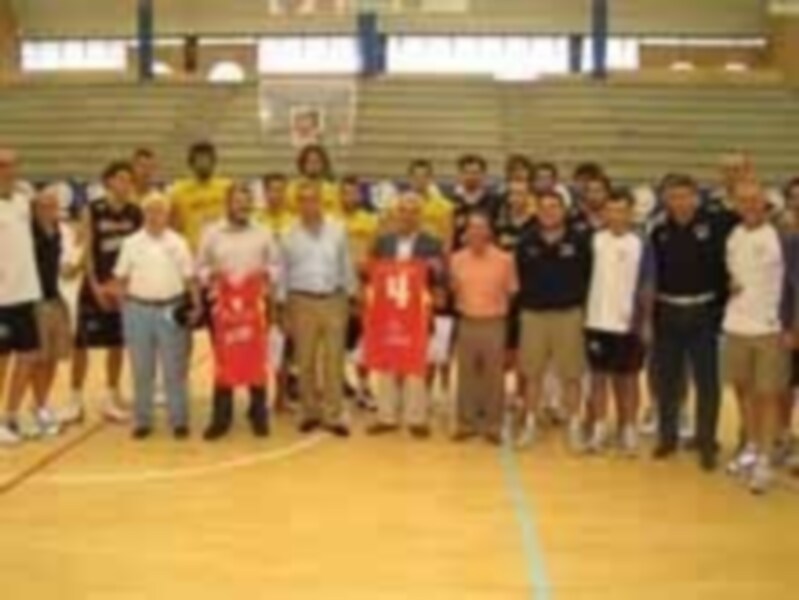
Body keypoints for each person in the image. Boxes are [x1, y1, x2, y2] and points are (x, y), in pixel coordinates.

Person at [649, 173, 736, 471]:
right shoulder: (658, 231)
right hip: (668, 312)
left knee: (707, 382)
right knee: (667, 381)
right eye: (673, 197)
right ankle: (667, 436)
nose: (680, 202)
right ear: (666, 200)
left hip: (704, 313)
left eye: (685, 196)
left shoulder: (716, 225)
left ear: (696, 197)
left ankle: (706, 441)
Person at [722, 183, 791, 494]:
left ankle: (765, 459)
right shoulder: (735, 235)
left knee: (768, 395)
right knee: (742, 390)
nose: (749, 205)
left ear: (765, 203)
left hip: (770, 329)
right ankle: (750, 447)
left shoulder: (782, 237)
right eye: (743, 201)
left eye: (754, 200)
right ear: (736, 204)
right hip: (736, 325)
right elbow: (732, 272)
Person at [198, 183, 280, 440]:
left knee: (256, 360)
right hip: (222, 311)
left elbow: (277, 265)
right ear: (228, 203)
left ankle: (258, 415)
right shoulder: (211, 233)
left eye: (247, 202)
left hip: (254, 309)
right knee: (224, 361)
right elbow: (199, 267)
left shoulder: (263, 232)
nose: (242, 206)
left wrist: (266, 275)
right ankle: (221, 418)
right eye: (238, 201)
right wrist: (210, 275)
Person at [115, 193, 199, 440]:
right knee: (142, 368)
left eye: (160, 211)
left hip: (171, 309)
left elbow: (189, 277)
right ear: (144, 213)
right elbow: (120, 277)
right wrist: (124, 309)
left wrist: (196, 305)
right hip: (137, 310)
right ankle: (143, 420)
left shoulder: (179, 242)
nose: (155, 215)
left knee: (175, 368)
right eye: (150, 210)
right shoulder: (131, 243)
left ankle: (179, 420)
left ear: (167, 214)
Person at [65, 161, 142, 424]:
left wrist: (124, 286)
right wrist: (95, 285)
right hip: (94, 285)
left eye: (129, 180)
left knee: (116, 344)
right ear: (108, 181)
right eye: (120, 178)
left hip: (122, 288)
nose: (125, 184)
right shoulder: (93, 210)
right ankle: (75, 400)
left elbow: (138, 254)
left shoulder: (135, 213)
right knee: (81, 344)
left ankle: (111, 397)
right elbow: (86, 249)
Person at [514, 191, 592, 451]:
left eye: (554, 207)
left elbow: (588, 277)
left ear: (563, 210)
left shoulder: (580, 241)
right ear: (536, 210)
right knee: (532, 374)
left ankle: (573, 427)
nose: (549, 211)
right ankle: (530, 425)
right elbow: (518, 280)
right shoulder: (525, 242)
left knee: (572, 375)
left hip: (568, 315)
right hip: (533, 315)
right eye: (544, 207)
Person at [278, 180, 355, 437]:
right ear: (296, 204)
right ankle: (310, 411)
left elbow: (346, 265)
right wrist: (282, 308)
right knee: (305, 360)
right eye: (303, 199)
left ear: (322, 201)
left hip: (334, 299)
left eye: (313, 199)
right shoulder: (288, 234)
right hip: (301, 301)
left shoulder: (338, 229)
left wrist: (352, 298)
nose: (308, 204)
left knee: (334, 359)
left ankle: (334, 414)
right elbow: (283, 274)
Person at [367, 192, 445, 439]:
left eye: (413, 211)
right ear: (395, 214)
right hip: (388, 310)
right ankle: (386, 416)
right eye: (403, 210)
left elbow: (441, 276)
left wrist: (436, 269)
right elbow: (371, 273)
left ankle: (416, 417)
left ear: (420, 216)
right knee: (387, 361)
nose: (408, 216)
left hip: (417, 312)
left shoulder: (432, 243)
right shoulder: (383, 242)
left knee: (415, 363)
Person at [584, 191, 649, 456]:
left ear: (631, 213)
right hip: (597, 321)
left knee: (628, 379)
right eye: (611, 210)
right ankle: (599, 427)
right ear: (605, 213)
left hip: (628, 324)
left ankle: (628, 428)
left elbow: (648, 285)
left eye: (622, 210)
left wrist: (645, 322)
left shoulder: (641, 243)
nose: (616, 215)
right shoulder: (595, 240)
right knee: (598, 377)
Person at [450, 212, 518, 444]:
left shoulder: (505, 260)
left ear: (489, 231)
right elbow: (452, 291)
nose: (476, 232)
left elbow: (513, 292)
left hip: (494, 323)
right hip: (466, 321)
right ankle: (465, 423)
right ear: (466, 232)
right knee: (466, 374)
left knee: (493, 376)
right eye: (472, 228)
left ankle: (493, 425)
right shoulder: (456, 259)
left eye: (481, 227)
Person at [0, 149, 43, 445]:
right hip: (1, 299)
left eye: (13, 164)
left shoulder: (22, 201)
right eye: (3, 165)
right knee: (1, 361)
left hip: (26, 294)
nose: (9, 170)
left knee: (28, 356)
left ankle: (11, 415)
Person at [30, 188, 74, 438]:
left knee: (54, 357)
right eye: (45, 206)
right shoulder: (29, 234)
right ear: (35, 208)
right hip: (35, 302)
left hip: (55, 298)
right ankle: (35, 407)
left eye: (53, 206)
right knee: (37, 359)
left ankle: (41, 404)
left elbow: (61, 264)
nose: (50, 210)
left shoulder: (58, 231)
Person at [339, 176, 379, 409]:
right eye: (345, 193)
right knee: (337, 341)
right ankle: (340, 383)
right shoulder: (331, 222)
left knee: (365, 341)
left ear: (360, 195)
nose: (349, 197)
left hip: (364, 290)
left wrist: (367, 273)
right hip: (338, 290)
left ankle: (364, 386)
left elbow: (377, 256)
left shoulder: (372, 221)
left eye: (353, 193)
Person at [170, 141, 232, 252]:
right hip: (192, 252)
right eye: (199, 160)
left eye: (207, 159)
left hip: (222, 251)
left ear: (214, 162)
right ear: (191, 163)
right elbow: (174, 227)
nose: (203, 164)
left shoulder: (227, 188)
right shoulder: (179, 191)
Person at [286, 145, 340, 216]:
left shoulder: (332, 189)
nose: (313, 165)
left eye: (317, 161)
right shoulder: (292, 188)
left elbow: (336, 213)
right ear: (302, 164)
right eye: (309, 161)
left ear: (323, 164)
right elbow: (289, 213)